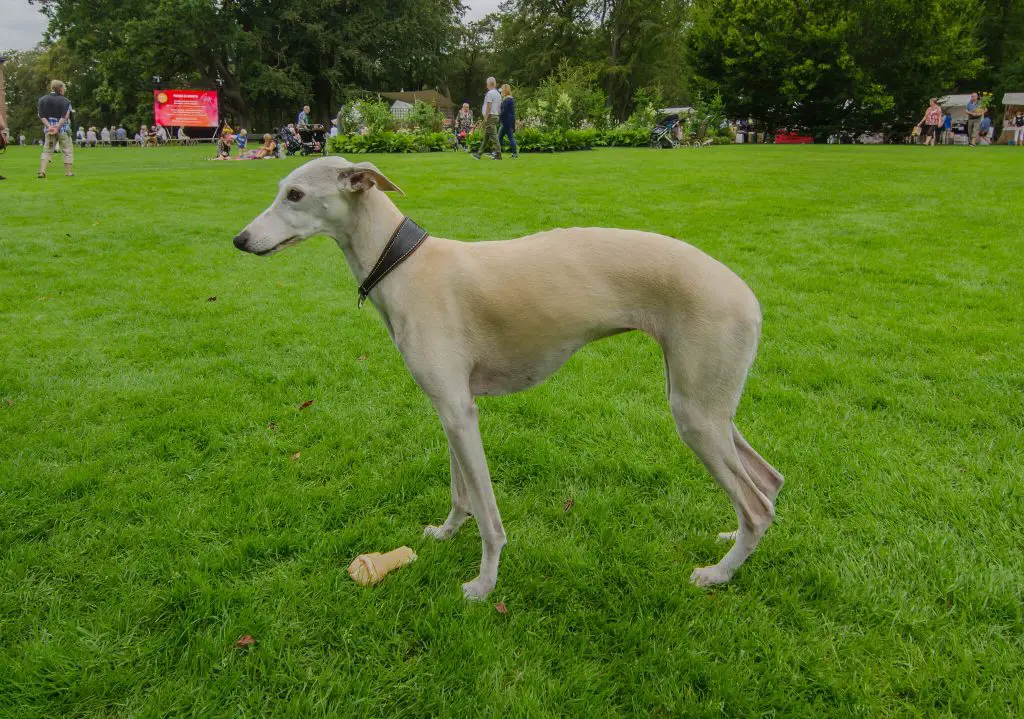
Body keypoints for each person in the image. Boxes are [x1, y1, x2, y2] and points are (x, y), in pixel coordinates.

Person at [37, 79, 74, 178]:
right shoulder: (66, 101)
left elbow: (41, 115)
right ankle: (68, 172)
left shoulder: (42, 100)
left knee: (47, 150)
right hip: (63, 129)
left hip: (49, 130)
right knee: (67, 150)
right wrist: (58, 127)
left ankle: (42, 172)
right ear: (61, 89)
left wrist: (50, 126)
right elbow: (65, 116)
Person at [472, 76, 502, 160]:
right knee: (486, 136)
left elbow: (489, 107)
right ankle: (479, 154)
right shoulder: (498, 94)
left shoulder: (490, 93)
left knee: (493, 136)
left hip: (490, 116)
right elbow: (499, 107)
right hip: (495, 115)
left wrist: (485, 118)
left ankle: (498, 154)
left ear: (488, 84)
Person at [498, 84, 518, 158]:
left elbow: (504, 111)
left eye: (502, 90)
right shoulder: (509, 99)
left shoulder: (508, 99)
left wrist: (499, 118)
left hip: (507, 121)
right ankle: (514, 154)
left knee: (501, 137)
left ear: (505, 90)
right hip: (509, 121)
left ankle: (497, 152)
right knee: (503, 137)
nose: (501, 91)